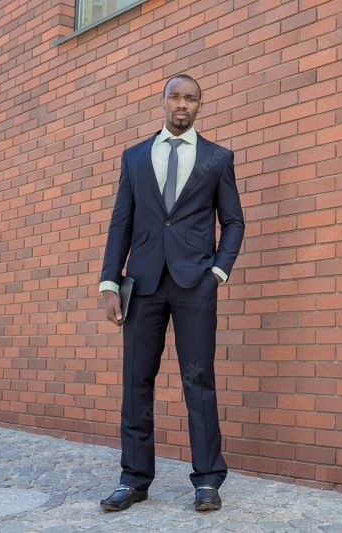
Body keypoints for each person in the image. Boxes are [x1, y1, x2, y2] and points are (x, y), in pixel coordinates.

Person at [98, 74, 244, 512]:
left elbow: (234, 221)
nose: (182, 104)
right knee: (136, 381)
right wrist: (110, 282)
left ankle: (207, 480)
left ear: (200, 105)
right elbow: (121, 221)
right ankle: (134, 478)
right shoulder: (135, 156)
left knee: (198, 379)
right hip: (141, 285)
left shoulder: (218, 159)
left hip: (194, 284)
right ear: (163, 101)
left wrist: (217, 271)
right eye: (175, 96)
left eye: (191, 98)